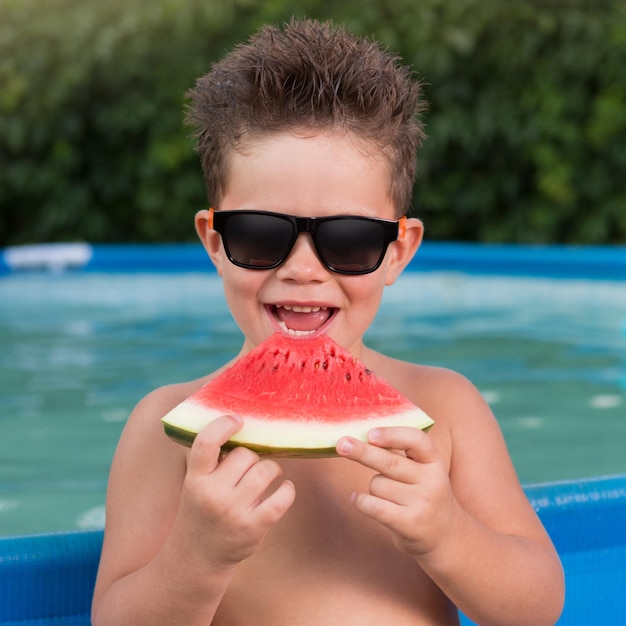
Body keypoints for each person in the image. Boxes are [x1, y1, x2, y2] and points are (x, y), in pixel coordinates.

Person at [91, 18, 564, 626]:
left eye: (349, 241)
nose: (304, 270)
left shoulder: (445, 408)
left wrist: (447, 535)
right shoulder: (166, 431)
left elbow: (537, 607)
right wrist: (196, 555)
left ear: (398, 251)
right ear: (214, 241)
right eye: (261, 235)